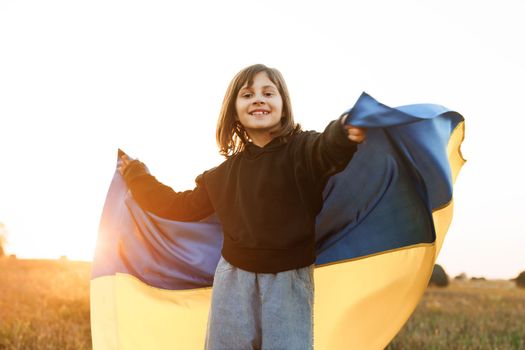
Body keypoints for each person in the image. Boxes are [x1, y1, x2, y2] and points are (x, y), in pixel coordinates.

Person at [118, 63, 366, 350]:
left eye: (268, 93)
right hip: (234, 281)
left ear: (283, 106)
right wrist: (136, 174)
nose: (258, 99)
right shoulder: (222, 175)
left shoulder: (304, 150)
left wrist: (346, 128)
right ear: (234, 110)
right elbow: (178, 206)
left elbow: (328, 148)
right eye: (247, 95)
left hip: (288, 282)